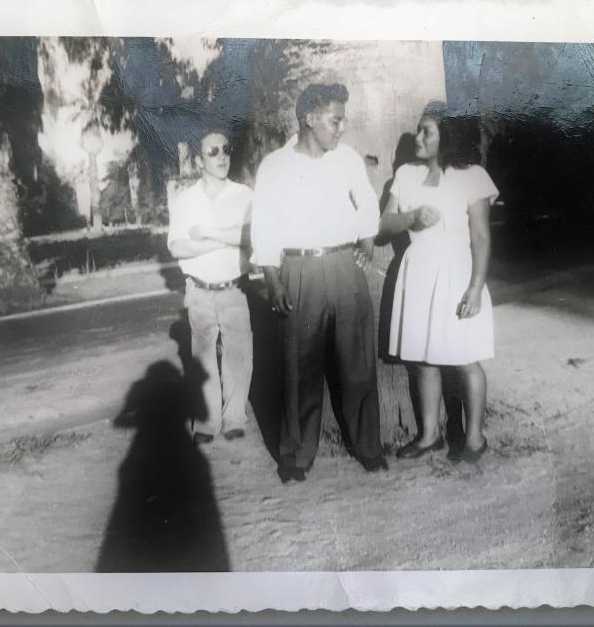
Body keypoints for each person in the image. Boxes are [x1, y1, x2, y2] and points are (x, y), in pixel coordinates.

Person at [251, 82, 387, 483]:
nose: (342, 128)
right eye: (335, 120)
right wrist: (273, 279)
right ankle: (296, 455)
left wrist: (366, 239)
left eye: (343, 120)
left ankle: (368, 447)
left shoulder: (345, 159)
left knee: (357, 362)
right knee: (300, 368)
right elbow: (265, 225)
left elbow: (366, 201)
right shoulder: (275, 165)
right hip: (299, 270)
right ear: (310, 118)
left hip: (344, 266)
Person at [379, 101, 498, 463]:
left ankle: (475, 437)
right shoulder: (405, 176)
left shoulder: (471, 175)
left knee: (465, 359)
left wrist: (476, 287)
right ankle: (429, 434)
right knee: (424, 359)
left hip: (458, 273)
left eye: (426, 131)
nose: (418, 137)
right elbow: (382, 227)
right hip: (417, 271)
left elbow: (480, 236)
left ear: (446, 136)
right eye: (418, 130)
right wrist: (412, 217)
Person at [167, 126, 254, 445]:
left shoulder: (244, 195)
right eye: (212, 152)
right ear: (199, 160)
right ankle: (207, 421)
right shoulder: (186, 199)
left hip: (235, 289)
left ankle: (234, 418)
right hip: (200, 291)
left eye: (226, 149)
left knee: (238, 355)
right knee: (203, 358)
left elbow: (251, 237)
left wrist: (207, 232)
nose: (222, 157)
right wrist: (225, 239)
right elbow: (178, 247)